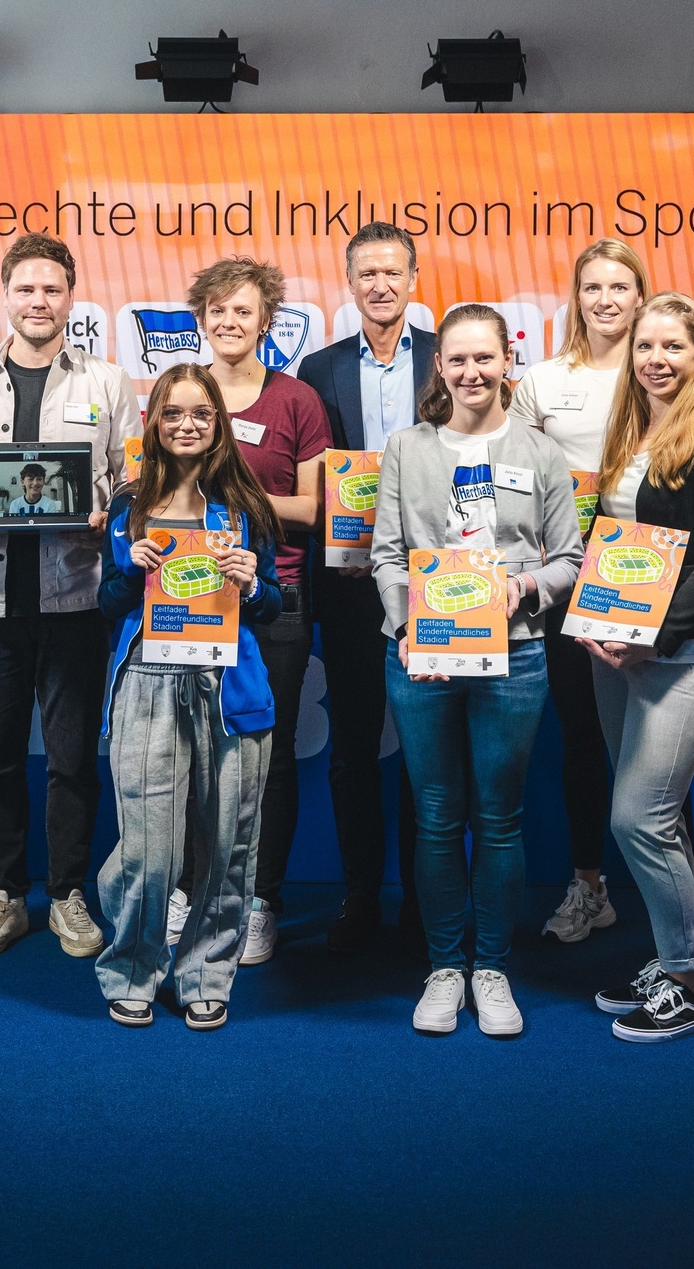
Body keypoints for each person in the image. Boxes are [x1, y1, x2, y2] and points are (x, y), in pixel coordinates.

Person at [0, 233, 141, 960]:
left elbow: (131, 475)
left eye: (52, 289)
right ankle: (4, 895)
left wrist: (108, 506)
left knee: (74, 757)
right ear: (5, 296)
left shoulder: (108, 382)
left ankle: (69, 893)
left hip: (76, 596)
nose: (38, 301)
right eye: (26, 289)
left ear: (71, 298)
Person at [373, 305, 584, 1038]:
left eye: (484, 359)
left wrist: (526, 588)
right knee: (435, 816)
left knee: (498, 818)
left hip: (516, 654)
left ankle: (490, 968)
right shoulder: (407, 447)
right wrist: (405, 626)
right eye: (457, 360)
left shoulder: (540, 450)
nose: (471, 372)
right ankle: (443, 967)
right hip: (422, 657)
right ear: (441, 367)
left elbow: (569, 558)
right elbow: (387, 555)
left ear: (506, 362)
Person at [582, 293, 694, 1044]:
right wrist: (594, 616)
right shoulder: (634, 425)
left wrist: (654, 632)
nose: (656, 358)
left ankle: (689, 982)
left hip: (679, 654)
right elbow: (616, 537)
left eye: (672, 347)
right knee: (649, 821)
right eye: (645, 346)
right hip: (615, 653)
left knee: (639, 819)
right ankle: (670, 956)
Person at [93, 364, 286, 1029]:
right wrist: (131, 569)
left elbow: (272, 605)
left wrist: (253, 582)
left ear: (217, 423)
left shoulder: (243, 502)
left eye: (201, 413)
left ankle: (206, 972)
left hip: (230, 683)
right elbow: (108, 603)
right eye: (173, 413)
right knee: (150, 850)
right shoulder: (129, 505)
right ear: (153, 421)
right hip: (148, 677)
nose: (188, 424)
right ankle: (133, 968)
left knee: (229, 843)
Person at [160, 256, 330, 967]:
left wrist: (235, 506)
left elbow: (317, 506)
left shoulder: (297, 400)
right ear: (201, 318)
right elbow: (156, 490)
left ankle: (259, 899)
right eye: (218, 311)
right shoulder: (177, 394)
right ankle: (190, 889)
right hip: (184, 596)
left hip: (272, 601)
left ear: (266, 321)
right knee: (189, 753)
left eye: (245, 311)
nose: (230, 322)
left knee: (268, 757)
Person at [295, 221, 433, 954]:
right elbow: (308, 476)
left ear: (414, 279)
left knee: (425, 751)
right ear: (348, 285)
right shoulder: (316, 371)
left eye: (393, 271)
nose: (381, 284)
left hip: (436, 587)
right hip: (349, 586)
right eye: (366, 274)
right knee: (352, 748)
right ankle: (358, 896)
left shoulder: (451, 361)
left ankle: (423, 898)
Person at [509, 239, 645, 947]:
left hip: (643, 576)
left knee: (653, 737)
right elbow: (519, 476)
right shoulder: (542, 379)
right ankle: (590, 885)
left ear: (640, 295)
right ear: (577, 297)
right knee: (584, 735)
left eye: (620, 285)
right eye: (593, 286)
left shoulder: (664, 370)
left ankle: (688, 904)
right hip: (565, 577)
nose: (606, 299)